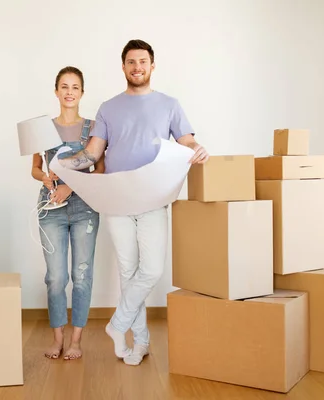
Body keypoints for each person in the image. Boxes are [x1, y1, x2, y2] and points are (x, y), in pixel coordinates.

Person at [58, 40, 209, 366]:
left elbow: (187, 141)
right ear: (123, 67)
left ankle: (117, 324)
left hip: (154, 197)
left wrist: (198, 148)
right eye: (131, 62)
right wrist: (60, 167)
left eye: (143, 61)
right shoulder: (109, 108)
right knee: (128, 272)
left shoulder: (169, 104)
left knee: (151, 269)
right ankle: (138, 342)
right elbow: (93, 153)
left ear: (152, 66)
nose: (137, 67)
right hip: (117, 199)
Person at [31, 66, 105, 360]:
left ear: (82, 92)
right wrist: (45, 178)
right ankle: (58, 338)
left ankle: (76, 340)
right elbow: (35, 168)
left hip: (84, 206)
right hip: (50, 207)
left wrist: (70, 187)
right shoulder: (43, 129)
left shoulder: (93, 128)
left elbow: (100, 169)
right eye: (64, 86)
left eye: (75, 87)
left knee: (82, 275)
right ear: (56, 91)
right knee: (56, 277)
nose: (69, 92)